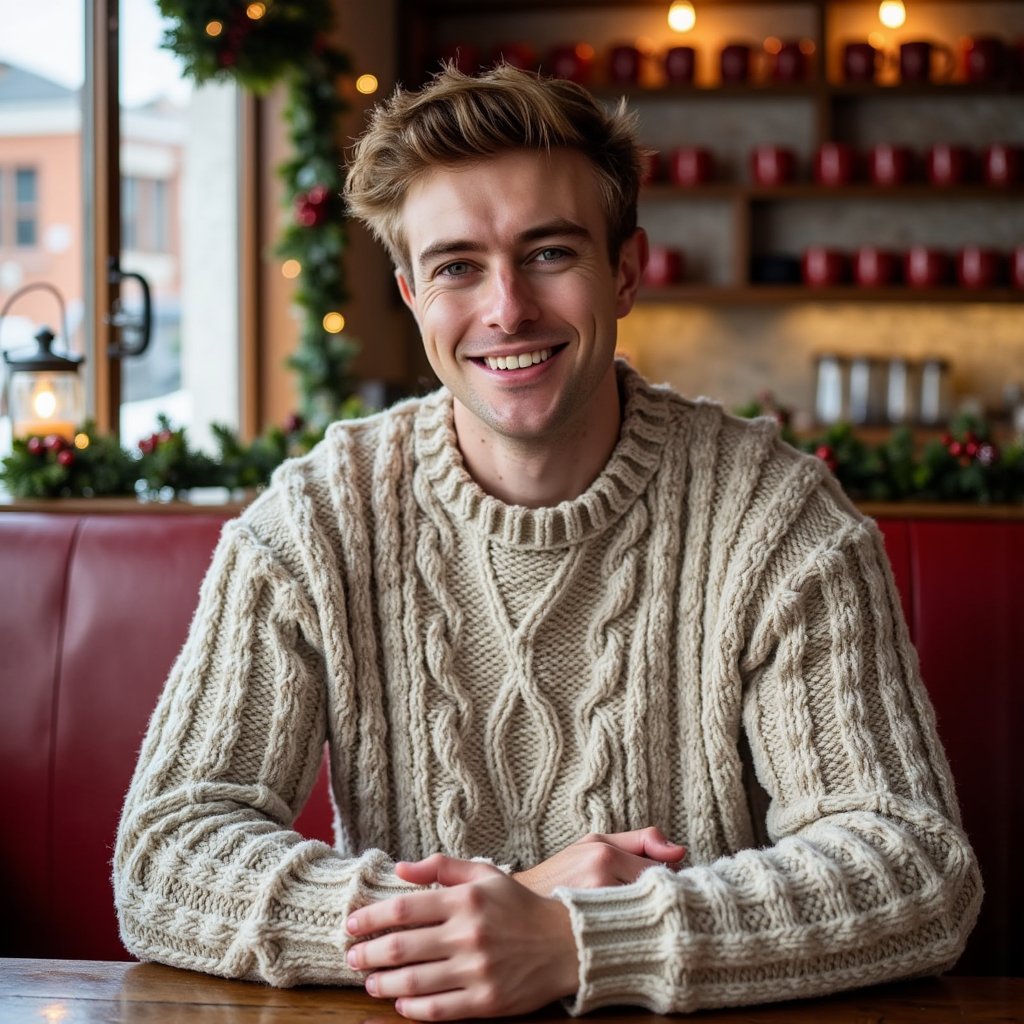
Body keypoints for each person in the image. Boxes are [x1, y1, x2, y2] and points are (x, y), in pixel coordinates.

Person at [114, 64, 981, 1020]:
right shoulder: (318, 520)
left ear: (626, 269)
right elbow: (165, 855)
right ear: (409, 293)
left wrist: (575, 940)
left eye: (550, 253)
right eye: (456, 267)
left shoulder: (777, 519)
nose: (506, 309)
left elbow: (913, 867)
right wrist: (500, 913)